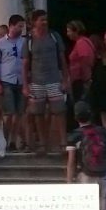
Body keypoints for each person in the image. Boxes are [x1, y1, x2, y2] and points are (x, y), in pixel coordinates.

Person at [22, 10, 68, 153]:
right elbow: (25, 63)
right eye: (42, 20)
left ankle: (63, 142)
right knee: (38, 113)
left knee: (59, 111)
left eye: (46, 19)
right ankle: (42, 143)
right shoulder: (29, 40)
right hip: (36, 82)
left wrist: (65, 79)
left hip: (54, 79)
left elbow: (62, 59)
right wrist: (25, 85)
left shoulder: (54, 36)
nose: (45, 22)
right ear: (34, 22)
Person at [64, 20, 96, 118]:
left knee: (79, 105)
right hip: (78, 79)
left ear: (76, 31)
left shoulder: (81, 43)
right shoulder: (83, 42)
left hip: (80, 80)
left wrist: (86, 79)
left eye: (69, 31)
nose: (67, 33)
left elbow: (85, 59)